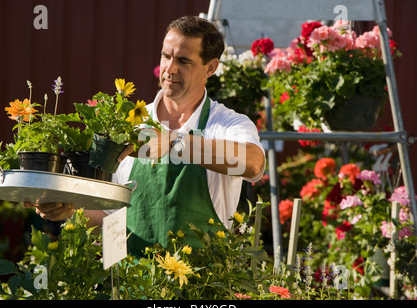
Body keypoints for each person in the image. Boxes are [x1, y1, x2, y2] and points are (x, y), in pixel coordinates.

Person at [29, 15, 265, 257]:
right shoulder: (131, 125)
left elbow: (253, 163)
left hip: (201, 284)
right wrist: (70, 210)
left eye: (183, 61)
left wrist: (175, 142)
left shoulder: (224, 123)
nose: (170, 69)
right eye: (166, 56)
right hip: (135, 283)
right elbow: (113, 221)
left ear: (211, 68)